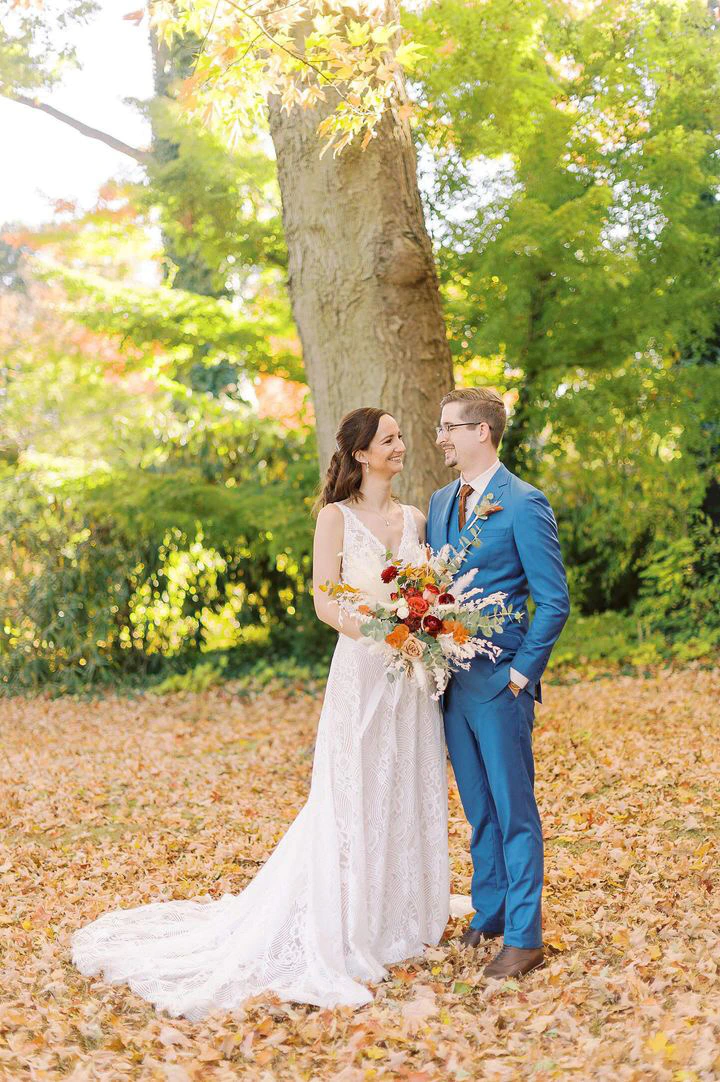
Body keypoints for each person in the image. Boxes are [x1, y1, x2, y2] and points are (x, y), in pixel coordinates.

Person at [71, 407, 450, 1020]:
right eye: (389, 439)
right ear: (360, 454)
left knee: (403, 780)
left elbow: (426, 589)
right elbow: (325, 601)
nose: (401, 445)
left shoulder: (415, 518)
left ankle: (400, 913)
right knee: (354, 788)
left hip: (409, 677)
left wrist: (423, 628)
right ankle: (348, 920)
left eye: (401, 436)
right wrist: (385, 634)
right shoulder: (335, 517)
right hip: (363, 667)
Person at [427, 387, 570, 980]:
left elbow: (554, 601)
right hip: (451, 684)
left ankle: (525, 936)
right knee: (479, 810)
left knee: (514, 812)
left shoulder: (524, 503)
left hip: (501, 686)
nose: (441, 437)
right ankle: (490, 913)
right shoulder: (440, 501)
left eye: (449, 427)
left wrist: (519, 675)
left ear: (481, 431)